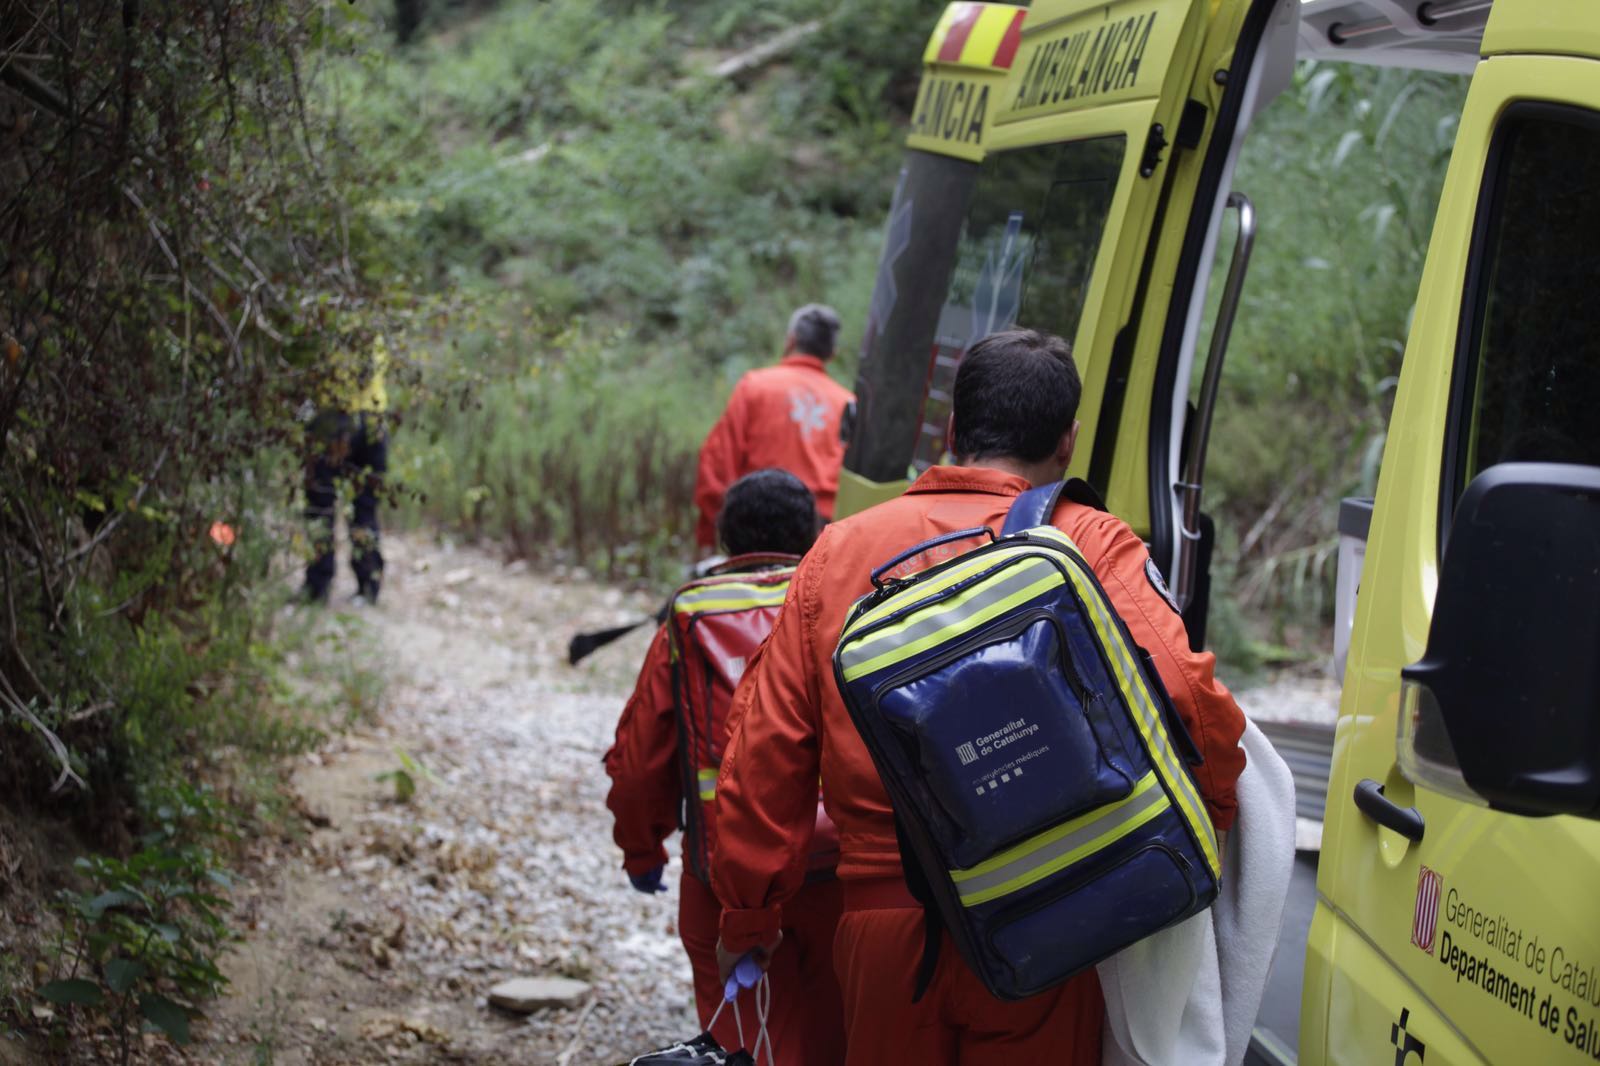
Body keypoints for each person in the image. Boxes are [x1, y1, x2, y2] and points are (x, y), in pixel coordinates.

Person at [710, 329, 1248, 1066]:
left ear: (953, 431)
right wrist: (1207, 818)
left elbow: (764, 752)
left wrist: (749, 913)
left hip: (883, 926)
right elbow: (1194, 700)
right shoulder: (1087, 540)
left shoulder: (836, 553)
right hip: (1052, 912)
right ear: (1067, 444)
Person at [604, 469, 846, 1065]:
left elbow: (640, 761)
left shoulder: (689, 618)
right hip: (844, 872)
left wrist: (642, 850)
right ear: (813, 534)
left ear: (724, 541)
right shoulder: (843, 601)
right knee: (837, 1040)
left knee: (743, 1047)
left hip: (723, 881)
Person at [693, 304, 855, 552]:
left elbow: (717, 462)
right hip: (822, 539)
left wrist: (710, 534)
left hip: (754, 530)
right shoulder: (847, 402)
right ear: (832, 353)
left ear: (791, 341)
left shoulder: (755, 386)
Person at [303, 334, 389, 605]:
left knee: (321, 506)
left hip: (335, 420)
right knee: (362, 509)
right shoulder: (375, 331)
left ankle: (318, 587)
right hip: (374, 420)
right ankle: (368, 586)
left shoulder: (327, 325)